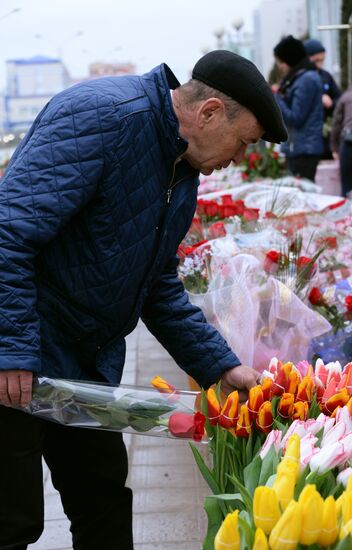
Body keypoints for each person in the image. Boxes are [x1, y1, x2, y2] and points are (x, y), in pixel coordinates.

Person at [0, 50, 287, 550]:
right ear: (210, 112)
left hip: (82, 366)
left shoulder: (180, 168)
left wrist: (221, 366)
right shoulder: (104, 117)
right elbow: (8, 234)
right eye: (244, 143)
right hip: (18, 351)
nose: (239, 159)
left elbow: (155, 283)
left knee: (104, 503)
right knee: (12, 520)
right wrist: (10, 352)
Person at [273, 35, 324, 181]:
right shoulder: (298, 78)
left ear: (290, 59)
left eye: (281, 61)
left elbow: (295, 117)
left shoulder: (306, 80)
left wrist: (276, 97)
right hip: (299, 148)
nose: (279, 66)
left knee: (303, 195)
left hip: (304, 150)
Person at [303, 38, 342, 159]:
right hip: (307, 138)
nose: (319, 64)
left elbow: (341, 101)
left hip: (326, 134)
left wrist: (331, 103)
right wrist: (317, 100)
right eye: (316, 60)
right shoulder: (301, 77)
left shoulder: (326, 76)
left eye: (322, 60)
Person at [330, 70, 352, 195]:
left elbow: (336, 125)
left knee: (348, 185)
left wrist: (334, 148)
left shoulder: (346, 97)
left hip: (350, 145)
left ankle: (349, 213)